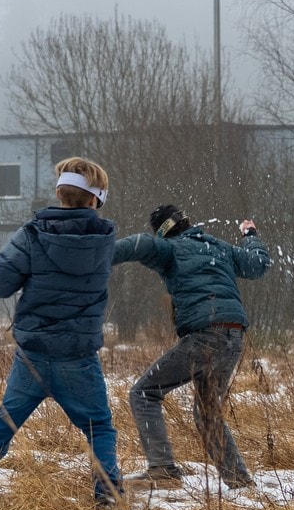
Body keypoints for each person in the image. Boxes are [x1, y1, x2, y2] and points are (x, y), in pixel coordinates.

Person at [0, 157, 121, 510]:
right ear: (95, 200)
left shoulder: (33, 234)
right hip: (78, 357)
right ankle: (108, 500)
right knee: (98, 426)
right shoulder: (104, 241)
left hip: (33, 353)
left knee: (4, 425)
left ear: (59, 193)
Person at [114, 204, 271, 490]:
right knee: (207, 413)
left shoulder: (168, 249)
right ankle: (239, 482)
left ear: (162, 232)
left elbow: (136, 245)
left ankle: (162, 469)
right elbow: (257, 264)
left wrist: (92, 255)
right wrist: (251, 235)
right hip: (233, 335)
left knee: (144, 393)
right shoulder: (218, 246)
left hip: (205, 336)